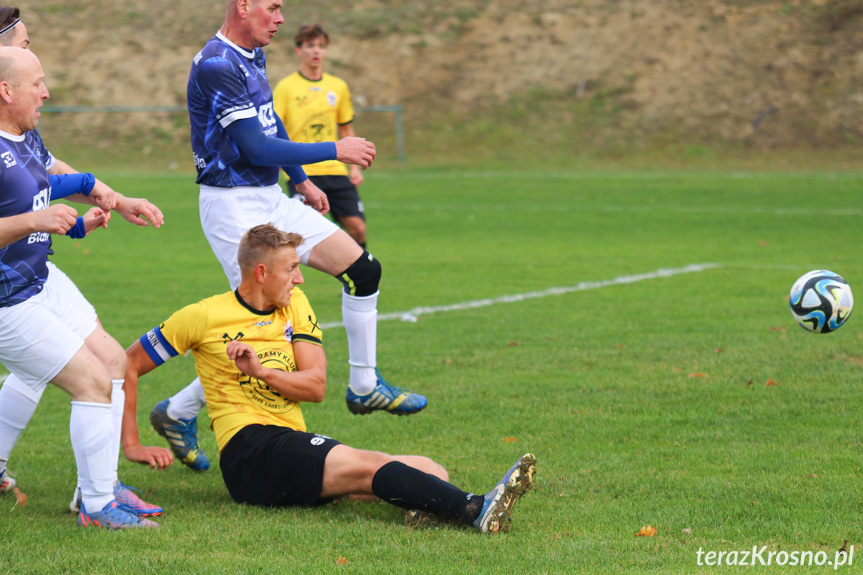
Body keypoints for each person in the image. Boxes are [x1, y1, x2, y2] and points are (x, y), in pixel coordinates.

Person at [145, 0, 426, 473]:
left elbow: (268, 125)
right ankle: (177, 413)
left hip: (270, 195)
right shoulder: (217, 64)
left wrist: (302, 179)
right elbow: (254, 146)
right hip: (232, 205)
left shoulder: (253, 54)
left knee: (363, 269)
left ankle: (363, 386)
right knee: (267, 321)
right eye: (272, 7)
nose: (279, 19)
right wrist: (333, 150)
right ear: (243, 6)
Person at [124, 224, 536, 533]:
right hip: (249, 451)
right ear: (262, 272)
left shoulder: (295, 305)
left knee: (431, 469)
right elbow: (128, 364)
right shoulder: (203, 316)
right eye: (291, 269)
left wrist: (261, 372)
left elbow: (316, 386)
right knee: (371, 465)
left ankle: (427, 507)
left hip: (283, 444)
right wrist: (132, 444)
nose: (300, 278)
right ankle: (476, 509)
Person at [0, 6, 168, 522]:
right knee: (91, 381)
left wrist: (111, 204)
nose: (47, 92)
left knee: (115, 363)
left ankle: (101, 486)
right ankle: (95, 506)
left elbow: (58, 184)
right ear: (7, 90)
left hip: (39, 279)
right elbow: (34, 214)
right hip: (7, 301)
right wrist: (36, 222)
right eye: (38, 82)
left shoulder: (25, 134)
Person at [272, 24, 368, 248]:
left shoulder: (338, 86)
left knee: (358, 228)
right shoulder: (285, 87)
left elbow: (345, 127)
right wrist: (277, 162)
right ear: (298, 50)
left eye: (321, 46)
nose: (316, 51)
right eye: (310, 46)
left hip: (335, 169)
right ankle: (289, 279)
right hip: (303, 170)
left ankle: (359, 277)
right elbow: (274, 128)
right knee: (299, 236)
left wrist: (354, 167)